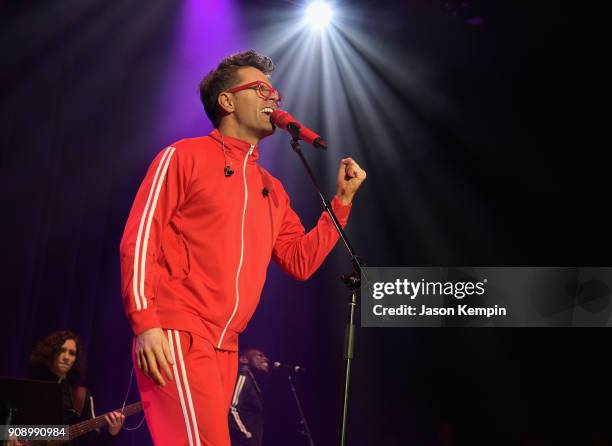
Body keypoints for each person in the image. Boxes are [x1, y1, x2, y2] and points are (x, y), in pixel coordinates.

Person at [119, 50, 366, 445]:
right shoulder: (183, 156)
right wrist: (146, 322)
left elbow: (299, 261)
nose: (274, 99)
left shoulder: (272, 188)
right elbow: (140, 237)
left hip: (226, 347)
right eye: (261, 89)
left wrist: (342, 202)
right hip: (177, 333)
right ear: (228, 101)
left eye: (276, 93)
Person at [27, 331, 125, 445]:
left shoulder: (81, 396)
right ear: (50, 353)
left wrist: (112, 433)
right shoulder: (30, 387)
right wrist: (11, 436)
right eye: (61, 350)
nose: (66, 357)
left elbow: (90, 442)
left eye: (72, 353)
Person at [228, 349, 269, 446]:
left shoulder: (251, 381)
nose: (266, 359)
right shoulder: (243, 377)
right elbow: (232, 409)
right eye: (260, 355)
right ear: (243, 359)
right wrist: (247, 437)